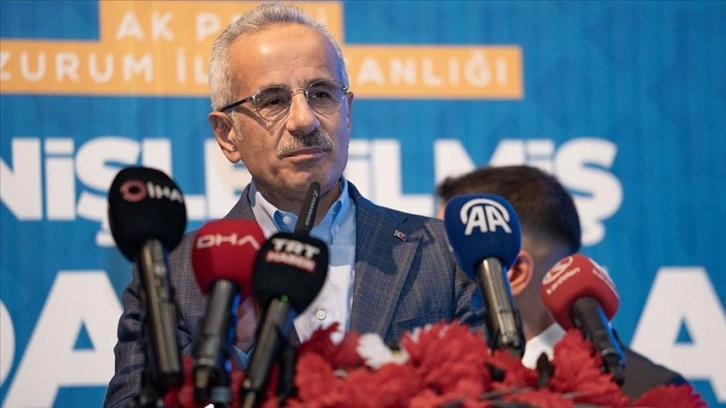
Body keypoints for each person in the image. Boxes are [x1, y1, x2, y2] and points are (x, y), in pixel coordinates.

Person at [105, 4, 482, 407]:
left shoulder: (443, 252)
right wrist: (237, 349)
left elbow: (490, 389)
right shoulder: (172, 274)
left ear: (348, 113)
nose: (305, 120)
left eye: (321, 94)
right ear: (227, 134)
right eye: (273, 101)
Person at [435, 164, 687, 398]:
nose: (431, 268)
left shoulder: (649, 393)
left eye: (445, 254)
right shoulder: (437, 382)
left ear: (514, 273)